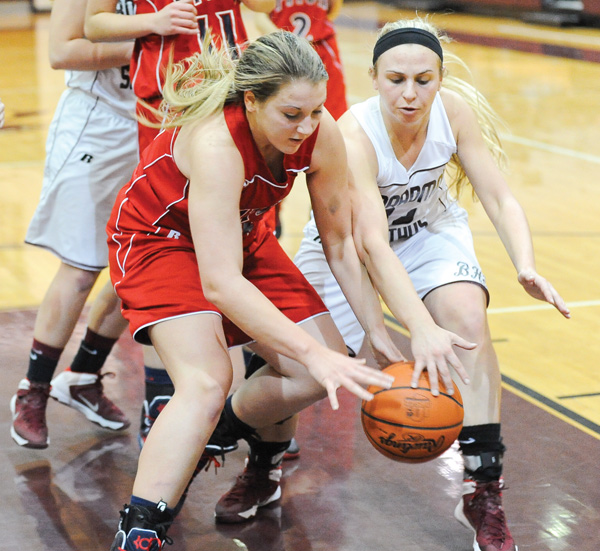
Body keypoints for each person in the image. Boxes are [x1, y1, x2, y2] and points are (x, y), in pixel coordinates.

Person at [103, 30, 473, 549]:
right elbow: (220, 282)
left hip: (244, 235)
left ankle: (224, 434)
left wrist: (377, 330)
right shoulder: (216, 143)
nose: (307, 127)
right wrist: (310, 352)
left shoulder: (322, 138)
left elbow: (341, 244)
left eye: (317, 112)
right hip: (160, 240)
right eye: (292, 115)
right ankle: (140, 531)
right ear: (251, 101)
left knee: (319, 370)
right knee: (207, 379)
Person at [291, 17, 570, 551]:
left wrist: (525, 264)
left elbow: (499, 197)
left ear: (441, 78)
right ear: (373, 76)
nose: (411, 94)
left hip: (427, 232)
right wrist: (416, 327)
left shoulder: (454, 113)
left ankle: (483, 486)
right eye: (396, 79)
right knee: (299, 371)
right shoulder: (353, 134)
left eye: (425, 79)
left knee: (467, 318)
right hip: (347, 251)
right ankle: (262, 459)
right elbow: (370, 243)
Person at [85, 0, 275, 448]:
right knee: (168, 244)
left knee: (242, 232)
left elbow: (264, 6)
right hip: (170, 100)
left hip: (235, 90)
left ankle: (254, 404)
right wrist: (153, 22)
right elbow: (93, 24)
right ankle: (156, 399)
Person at [9, 0, 138, 450]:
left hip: (161, 121)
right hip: (98, 122)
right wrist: (151, 37)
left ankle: (83, 374)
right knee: (83, 268)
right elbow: (62, 51)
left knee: (141, 264)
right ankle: (33, 389)